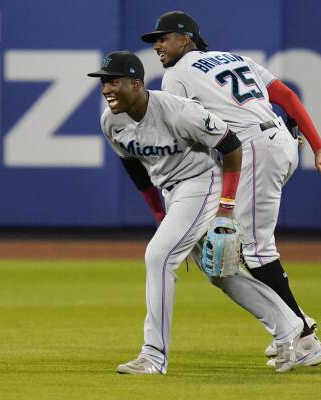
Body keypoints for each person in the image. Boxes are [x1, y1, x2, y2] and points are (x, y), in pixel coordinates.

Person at [140, 11, 321, 366]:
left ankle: (304, 336)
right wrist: (319, 145)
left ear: (186, 39)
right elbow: (288, 97)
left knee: (254, 249)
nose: (158, 44)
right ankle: (294, 326)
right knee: (244, 245)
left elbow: (185, 136)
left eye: (164, 37)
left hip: (252, 149)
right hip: (279, 141)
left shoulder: (178, 74)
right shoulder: (236, 59)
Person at [88, 50, 305, 374]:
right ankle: (292, 329)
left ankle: (153, 355)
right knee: (220, 273)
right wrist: (161, 216)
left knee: (158, 256)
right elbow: (135, 170)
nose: (106, 89)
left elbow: (231, 145)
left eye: (113, 81)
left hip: (203, 180)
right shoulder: (111, 121)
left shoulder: (177, 111)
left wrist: (226, 208)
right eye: (103, 82)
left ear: (136, 83)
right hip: (173, 191)